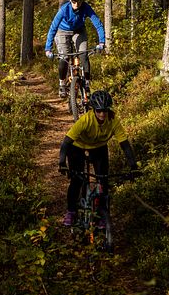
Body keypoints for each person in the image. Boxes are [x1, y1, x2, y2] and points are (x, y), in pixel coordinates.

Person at [58, 90, 138, 228]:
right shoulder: (85, 120)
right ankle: (71, 211)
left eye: (105, 110)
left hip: (99, 148)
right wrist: (62, 162)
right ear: (94, 109)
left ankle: (102, 214)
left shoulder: (113, 121)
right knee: (77, 180)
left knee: (103, 180)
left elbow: (125, 145)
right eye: (99, 110)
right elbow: (66, 142)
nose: (102, 114)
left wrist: (133, 165)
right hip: (77, 147)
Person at [45, 0, 106, 99]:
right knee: (64, 57)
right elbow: (53, 27)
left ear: (82, 0)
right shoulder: (64, 9)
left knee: (84, 55)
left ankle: (87, 82)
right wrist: (48, 49)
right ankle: (62, 83)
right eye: (74, 1)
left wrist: (101, 42)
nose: (76, 4)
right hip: (62, 31)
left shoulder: (86, 8)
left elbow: (97, 23)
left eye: (79, 1)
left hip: (79, 31)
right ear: (70, 0)